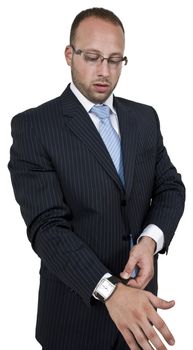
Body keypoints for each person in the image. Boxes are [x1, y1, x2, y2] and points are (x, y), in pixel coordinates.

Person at [8, 7, 185, 350]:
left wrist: (150, 242)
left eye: (115, 60)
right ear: (69, 55)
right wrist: (110, 291)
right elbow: (47, 227)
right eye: (92, 57)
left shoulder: (144, 118)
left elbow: (169, 187)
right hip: (74, 320)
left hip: (140, 314)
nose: (104, 71)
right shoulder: (34, 126)